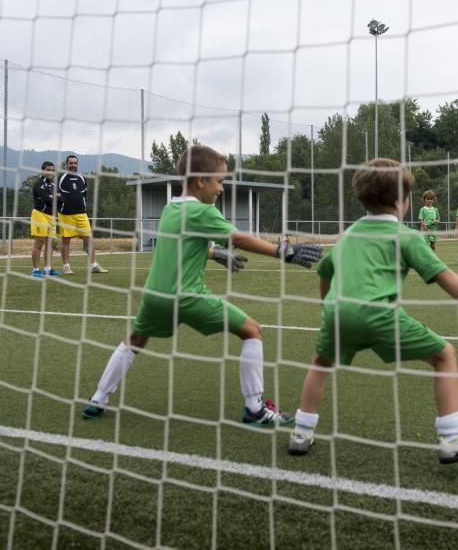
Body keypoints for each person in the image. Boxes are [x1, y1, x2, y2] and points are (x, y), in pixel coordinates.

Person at [286, 158, 458, 463]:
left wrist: (326, 306)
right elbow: (445, 276)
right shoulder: (406, 236)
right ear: (401, 202)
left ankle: (301, 431)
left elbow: (325, 273)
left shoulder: (347, 236)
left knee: (320, 364)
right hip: (379, 316)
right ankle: (452, 438)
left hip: (337, 315)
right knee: (444, 355)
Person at [82, 145, 322, 425]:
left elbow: (180, 244)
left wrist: (213, 252)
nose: (221, 189)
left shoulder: (171, 209)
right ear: (200, 181)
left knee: (134, 341)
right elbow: (238, 237)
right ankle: (255, 409)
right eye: (219, 181)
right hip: (188, 297)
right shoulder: (204, 211)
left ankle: (98, 399)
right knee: (253, 331)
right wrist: (282, 251)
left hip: (155, 296)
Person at [58, 154, 107, 275]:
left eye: (75, 163)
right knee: (66, 241)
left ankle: (93, 265)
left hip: (81, 214)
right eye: (71, 163)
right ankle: (66, 266)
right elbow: (55, 195)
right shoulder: (61, 178)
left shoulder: (82, 178)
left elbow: (84, 195)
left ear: (77, 164)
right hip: (66, 215)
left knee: (89, 239)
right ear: (66, 164)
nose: (73, 165)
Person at [30, 161, 62, 278]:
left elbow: (61, 198)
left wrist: (55, 197)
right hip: (40, 215)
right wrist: (55, 197)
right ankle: (35, 270)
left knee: (49, 244)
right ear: (43, 171)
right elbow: (47, 199)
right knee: (39, 243)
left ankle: (48, 269)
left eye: (52, 170)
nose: (50, 172)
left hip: (51, 216)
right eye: (48, 170)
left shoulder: (53, 185)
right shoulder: (39, 184)